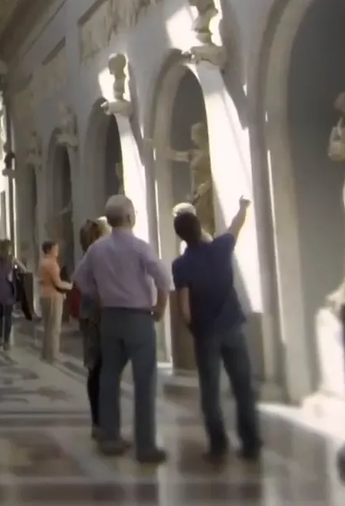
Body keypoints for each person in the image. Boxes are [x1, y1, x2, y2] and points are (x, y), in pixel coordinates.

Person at [74, 195, 172, 463]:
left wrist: (100, 295)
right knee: (144, 381)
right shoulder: (140, 247)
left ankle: (110, 437)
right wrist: (160, 306)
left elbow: (80, 279)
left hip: (110, 318)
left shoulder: (97, 249)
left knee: (109, 377)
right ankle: (146, 445)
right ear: (130, 217)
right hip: (139, 318)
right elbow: (163, 277)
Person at [172, 197, 261, 462]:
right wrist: (243, 206)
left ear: (180, 236)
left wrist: (195, 329)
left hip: (206, 332)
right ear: (200, 228)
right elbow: (236, 225)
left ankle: (218, 444)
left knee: (210, 391)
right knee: (242, 386)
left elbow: (185, 308)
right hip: (233, 326)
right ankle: (251, 442)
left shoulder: (181, 265)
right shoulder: (221, 248)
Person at [77, 217, 111, 434]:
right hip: (98, 316)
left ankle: (99, 421)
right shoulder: (98, 256)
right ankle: (102, 422)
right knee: (102, 368)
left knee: (96, 368)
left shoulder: (92, 256)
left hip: (91, 315)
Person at [38, 241, 70, 362]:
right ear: (49, 250)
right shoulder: (52, 264)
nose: (57, 251)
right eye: (55, 249)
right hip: (53, 296)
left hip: (43, 295)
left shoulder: (42, 262)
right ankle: (53, 354)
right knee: (55, 327)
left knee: (47, 327)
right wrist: (70, 286)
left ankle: (45, 353)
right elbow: (57, 283)